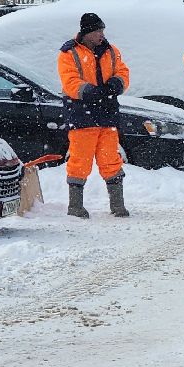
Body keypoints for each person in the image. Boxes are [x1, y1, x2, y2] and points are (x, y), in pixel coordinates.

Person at [57, 12, 131, 219]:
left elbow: (123, 72)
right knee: (80, 161)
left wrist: (117, 83)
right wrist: (90, 92)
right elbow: (69, 81)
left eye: (102, 30)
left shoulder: (111, 50)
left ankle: (117, 206)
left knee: (111, 160)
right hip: (82, 115)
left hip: (107, 114)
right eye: (98, 31)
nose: (101, 34)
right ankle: (75, 206)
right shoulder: (68, 53)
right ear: (87, 33)